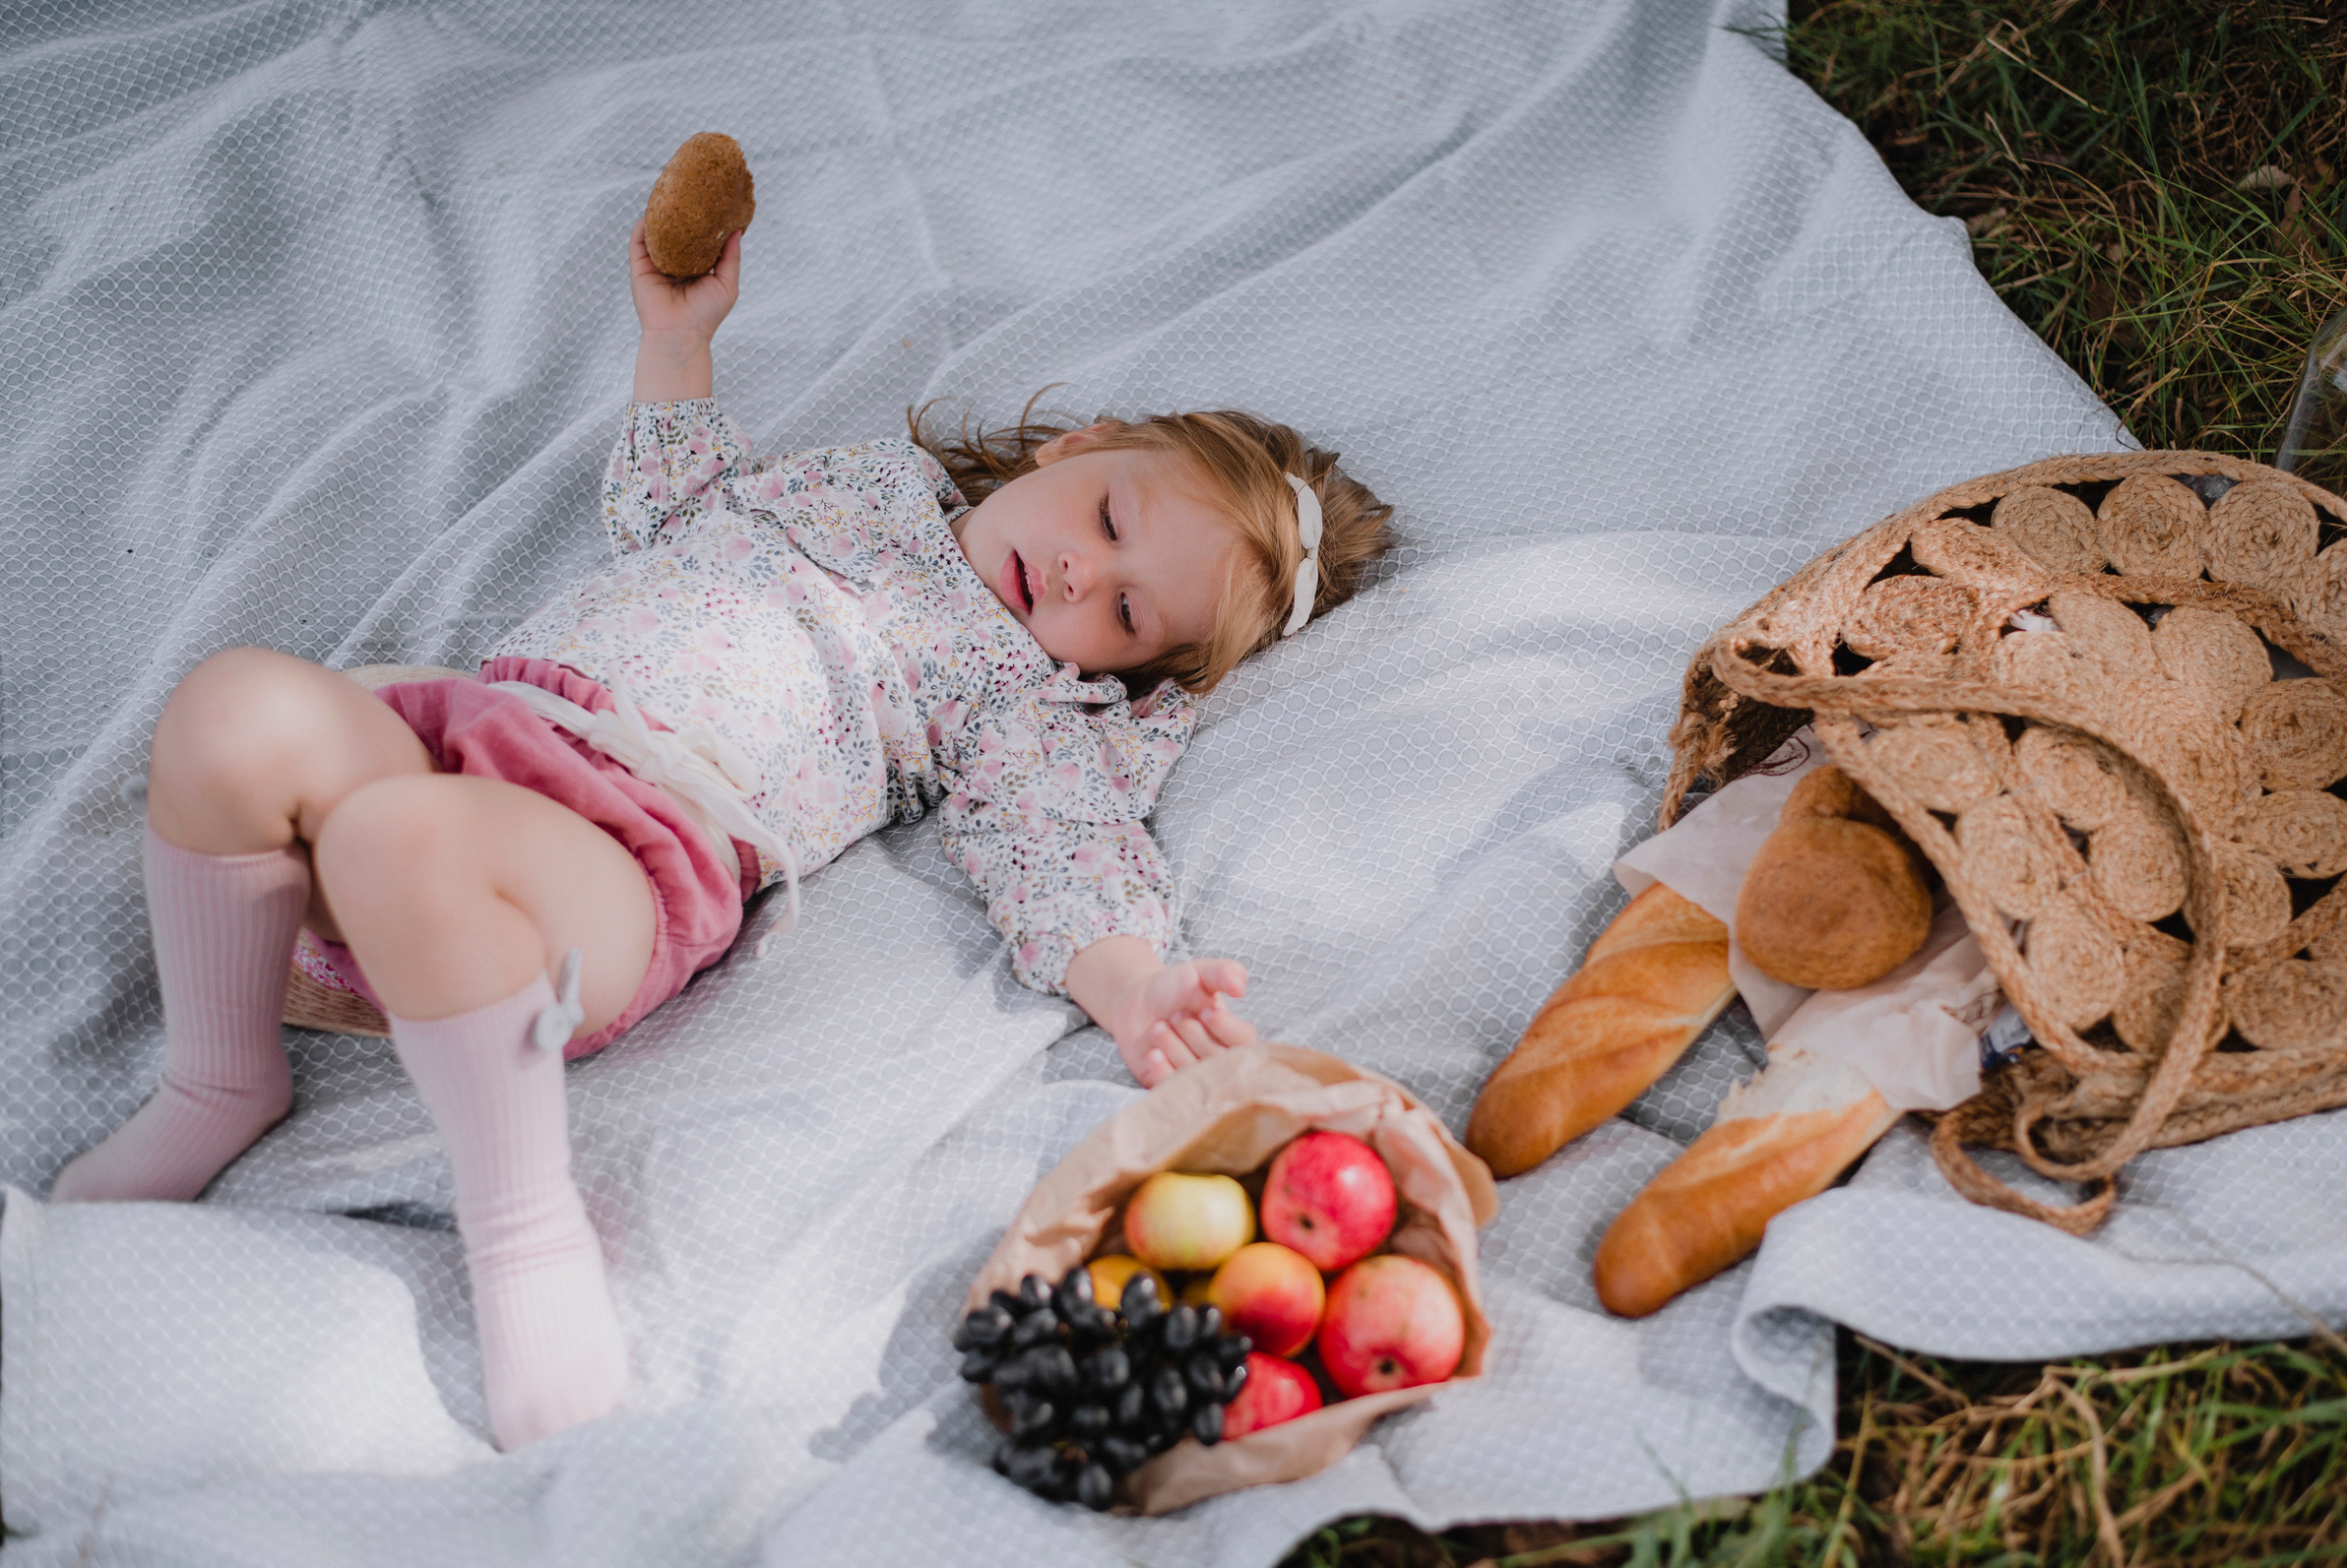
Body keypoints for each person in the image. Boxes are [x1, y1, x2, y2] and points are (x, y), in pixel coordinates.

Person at [52, 219, 1394, 1450]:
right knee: (232, 705)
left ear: (1121, 673)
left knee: (407, 838)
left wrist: (1133, 978)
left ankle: (522, 1222)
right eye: (1107, 521)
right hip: (483, 722)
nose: (1082, 578)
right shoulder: (861, 489)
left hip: (633, 851)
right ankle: (221, 1075)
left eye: (1124, 616)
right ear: (1072, 444)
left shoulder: (1008, 691)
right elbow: (675, 515)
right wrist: (676, 342)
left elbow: (1055, 847)